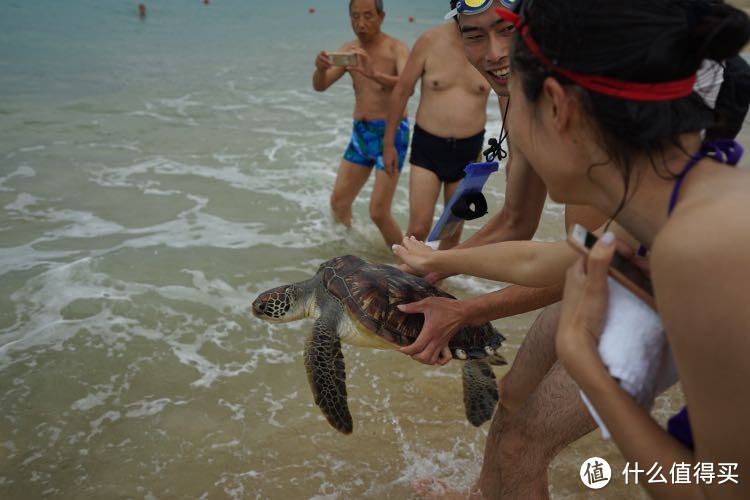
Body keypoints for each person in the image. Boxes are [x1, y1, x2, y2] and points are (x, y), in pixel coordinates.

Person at [498, 0, 749, 498]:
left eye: (509, 103)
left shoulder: (699, 246)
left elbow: (722, 488)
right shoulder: (708, 207)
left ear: (556, 105)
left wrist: (581, 356)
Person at [382, 22, 490, 249]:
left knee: (452, 231)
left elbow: (508, 96)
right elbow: (402, 90)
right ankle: (405, 282)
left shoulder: (491, 44)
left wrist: (517, 153)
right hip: (427, 147)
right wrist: (388, 143)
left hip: (469, 151)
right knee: (417, 229)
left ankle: (434, 283)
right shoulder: (429, 41)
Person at [312, 0, 410, 247]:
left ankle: (406, 262)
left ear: (382, 16)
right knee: (339, 201)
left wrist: (372, 73)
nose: (361, 23)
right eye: (355, 17)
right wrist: (320, 69)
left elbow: (407, 86)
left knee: (378, 211)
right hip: (361, 134)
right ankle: (349, 249)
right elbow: (320, 86)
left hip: (392, 133)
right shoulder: (350, 50)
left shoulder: (395, 48)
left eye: (368, 16)